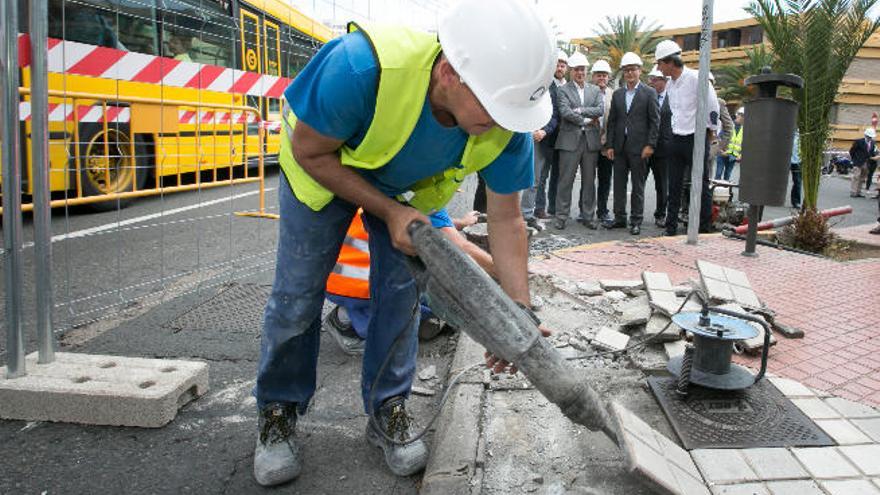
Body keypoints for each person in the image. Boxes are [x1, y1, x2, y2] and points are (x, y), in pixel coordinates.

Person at [253, 0, 554, 486]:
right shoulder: (360, 66)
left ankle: (388, 407)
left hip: (407, 190)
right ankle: (278, 411)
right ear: (450, 72)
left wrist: (518, 310)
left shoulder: (505, 121)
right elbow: (309, 149)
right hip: (324, 169)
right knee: (297, 297)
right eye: (495, 108)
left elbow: (507, 218)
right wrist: (389, 212)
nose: (503, 122)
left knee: (401, 299)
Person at [324, 208, 493, 355]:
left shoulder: (394, 189)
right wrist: (500, 275)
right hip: (352, 282)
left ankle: (356, 309)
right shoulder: (420, 188)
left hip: (338, 272)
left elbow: (428, 223)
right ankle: (348, 325)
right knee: (409, 318)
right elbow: (457, 247)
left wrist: (461, 223)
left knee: (427, 302)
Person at [654, 39, 720, 236]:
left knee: (701, 184)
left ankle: (703, 227)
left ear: (669, 62)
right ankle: (671, 227)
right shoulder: (671, 86)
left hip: (695, 138)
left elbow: (713, 106)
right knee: (674, 185)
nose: (658, 68)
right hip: (676, 139)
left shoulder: (696, 78)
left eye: (660, 63)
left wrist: (710, 131)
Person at [603, 52, 659, 236]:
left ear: (640, 71)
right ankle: (620, 218)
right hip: (619, 147)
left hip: (640, 148)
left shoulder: (649, 93)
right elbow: (612, 121)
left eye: (632, 69)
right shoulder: (618, 94)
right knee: (618, 185)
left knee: (638, 186)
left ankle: (636, 221)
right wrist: (609, 145)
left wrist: (650, 145)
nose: (629, 73)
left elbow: (654, 122)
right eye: (626, 70)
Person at [553, 52, 604, 230]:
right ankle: (561, 216)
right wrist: (585, 119)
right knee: (565, 180)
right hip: (569, 141)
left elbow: (599, 109)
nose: (579, 73)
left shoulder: (595, 90)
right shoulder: (562, 90)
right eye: (576, 70)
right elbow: (565, 112)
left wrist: (581, 109)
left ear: (586, 71)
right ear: (571, 71)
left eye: (582, 69)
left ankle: (588, 216)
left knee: (589, 181)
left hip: (590, 142)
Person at [521, 53, 562, 231]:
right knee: (534, 179)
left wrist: (545, 131)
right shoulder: (531, 82)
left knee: (542, 178)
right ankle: (526, 214)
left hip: (547, 138)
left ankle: (536, 210)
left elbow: (555, 114)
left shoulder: (554, 87)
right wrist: (532, 130)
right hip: (533, 136)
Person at [533, 51, 570, 220]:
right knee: (541, 175)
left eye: (563, 65)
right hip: (546, 137)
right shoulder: (545, 86)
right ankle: (539, 208)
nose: (560, 68)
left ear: (567, 68)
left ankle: (554, 207)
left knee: (558, 175)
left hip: (565, 140)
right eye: (557, 65)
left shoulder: (570, 87)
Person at [648, 65, 672, 228]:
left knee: (662, 184)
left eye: (655, 80)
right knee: (638, 182)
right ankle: (636, 214)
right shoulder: (647, 97)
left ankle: (661, 214)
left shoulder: (673, 99)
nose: (652, 83)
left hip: (664, 149)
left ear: (664, 81)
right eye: (651, 80)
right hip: (645, 148)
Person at [591, 59, 615, 224]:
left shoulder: (615, 95)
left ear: (608, 77)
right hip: (588, 144)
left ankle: (602, 211)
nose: (602, 78)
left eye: (604, 75)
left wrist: (610, 144)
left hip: (607, 145)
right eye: (599, 75)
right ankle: (585, 211)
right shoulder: (586, 93)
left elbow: (616, 122)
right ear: (593, 77)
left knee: (605, 180)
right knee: (587, 180)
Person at [716, 107, 744, 181]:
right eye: (741, 115)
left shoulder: (744, 129)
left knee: (727, 176)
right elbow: (719, 138)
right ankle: (715, 190)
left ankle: (725, 191)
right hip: (723, 154)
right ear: (737, 115)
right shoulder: (729, 125)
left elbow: (745, 144)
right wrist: (721, 151)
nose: (742, 118)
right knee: (718, 174)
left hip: (733, 156)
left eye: (744, 116)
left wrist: (740, 155)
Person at [850, 127, 879, 198]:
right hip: (858, 162)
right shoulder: (858, 142)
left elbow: (872, 152)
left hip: (867, 163)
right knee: (856, 177)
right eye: (869, 136)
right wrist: (854, 159)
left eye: (871, 137)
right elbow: (852, 151)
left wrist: (874, 157)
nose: (870, 138)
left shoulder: (872, 143)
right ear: (865, 135)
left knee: (862, 178)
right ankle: (853, 192)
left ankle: (858, 192)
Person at [790, 130, 802, 209]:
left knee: (797, 182)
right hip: (786, 160)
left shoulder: (802, 136)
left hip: (797, 162)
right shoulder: (787, 133)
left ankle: (796, 201)